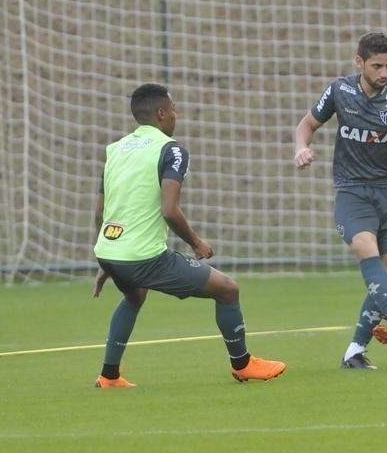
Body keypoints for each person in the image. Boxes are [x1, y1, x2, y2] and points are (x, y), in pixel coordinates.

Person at [91, 83, 286, 386]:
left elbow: (99, 214)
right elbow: (170, 210)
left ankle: (109, 376)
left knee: (133, 295)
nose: (176, 115)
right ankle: (242, 364)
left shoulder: (115, 150)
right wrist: (197, 243)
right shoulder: (171, 150)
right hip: (143, 257)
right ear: (161, 113)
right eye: (173, 109)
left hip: (109, 248)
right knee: (227, 289)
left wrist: (107, 260)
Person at [294, 31, 387, 370]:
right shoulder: (339, 90)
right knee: (364, 246)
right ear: (359, 62)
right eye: (377, 66)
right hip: (354, 189)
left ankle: (354, 352)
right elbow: (307, 124)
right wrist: (301, 147)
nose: (385, 73)